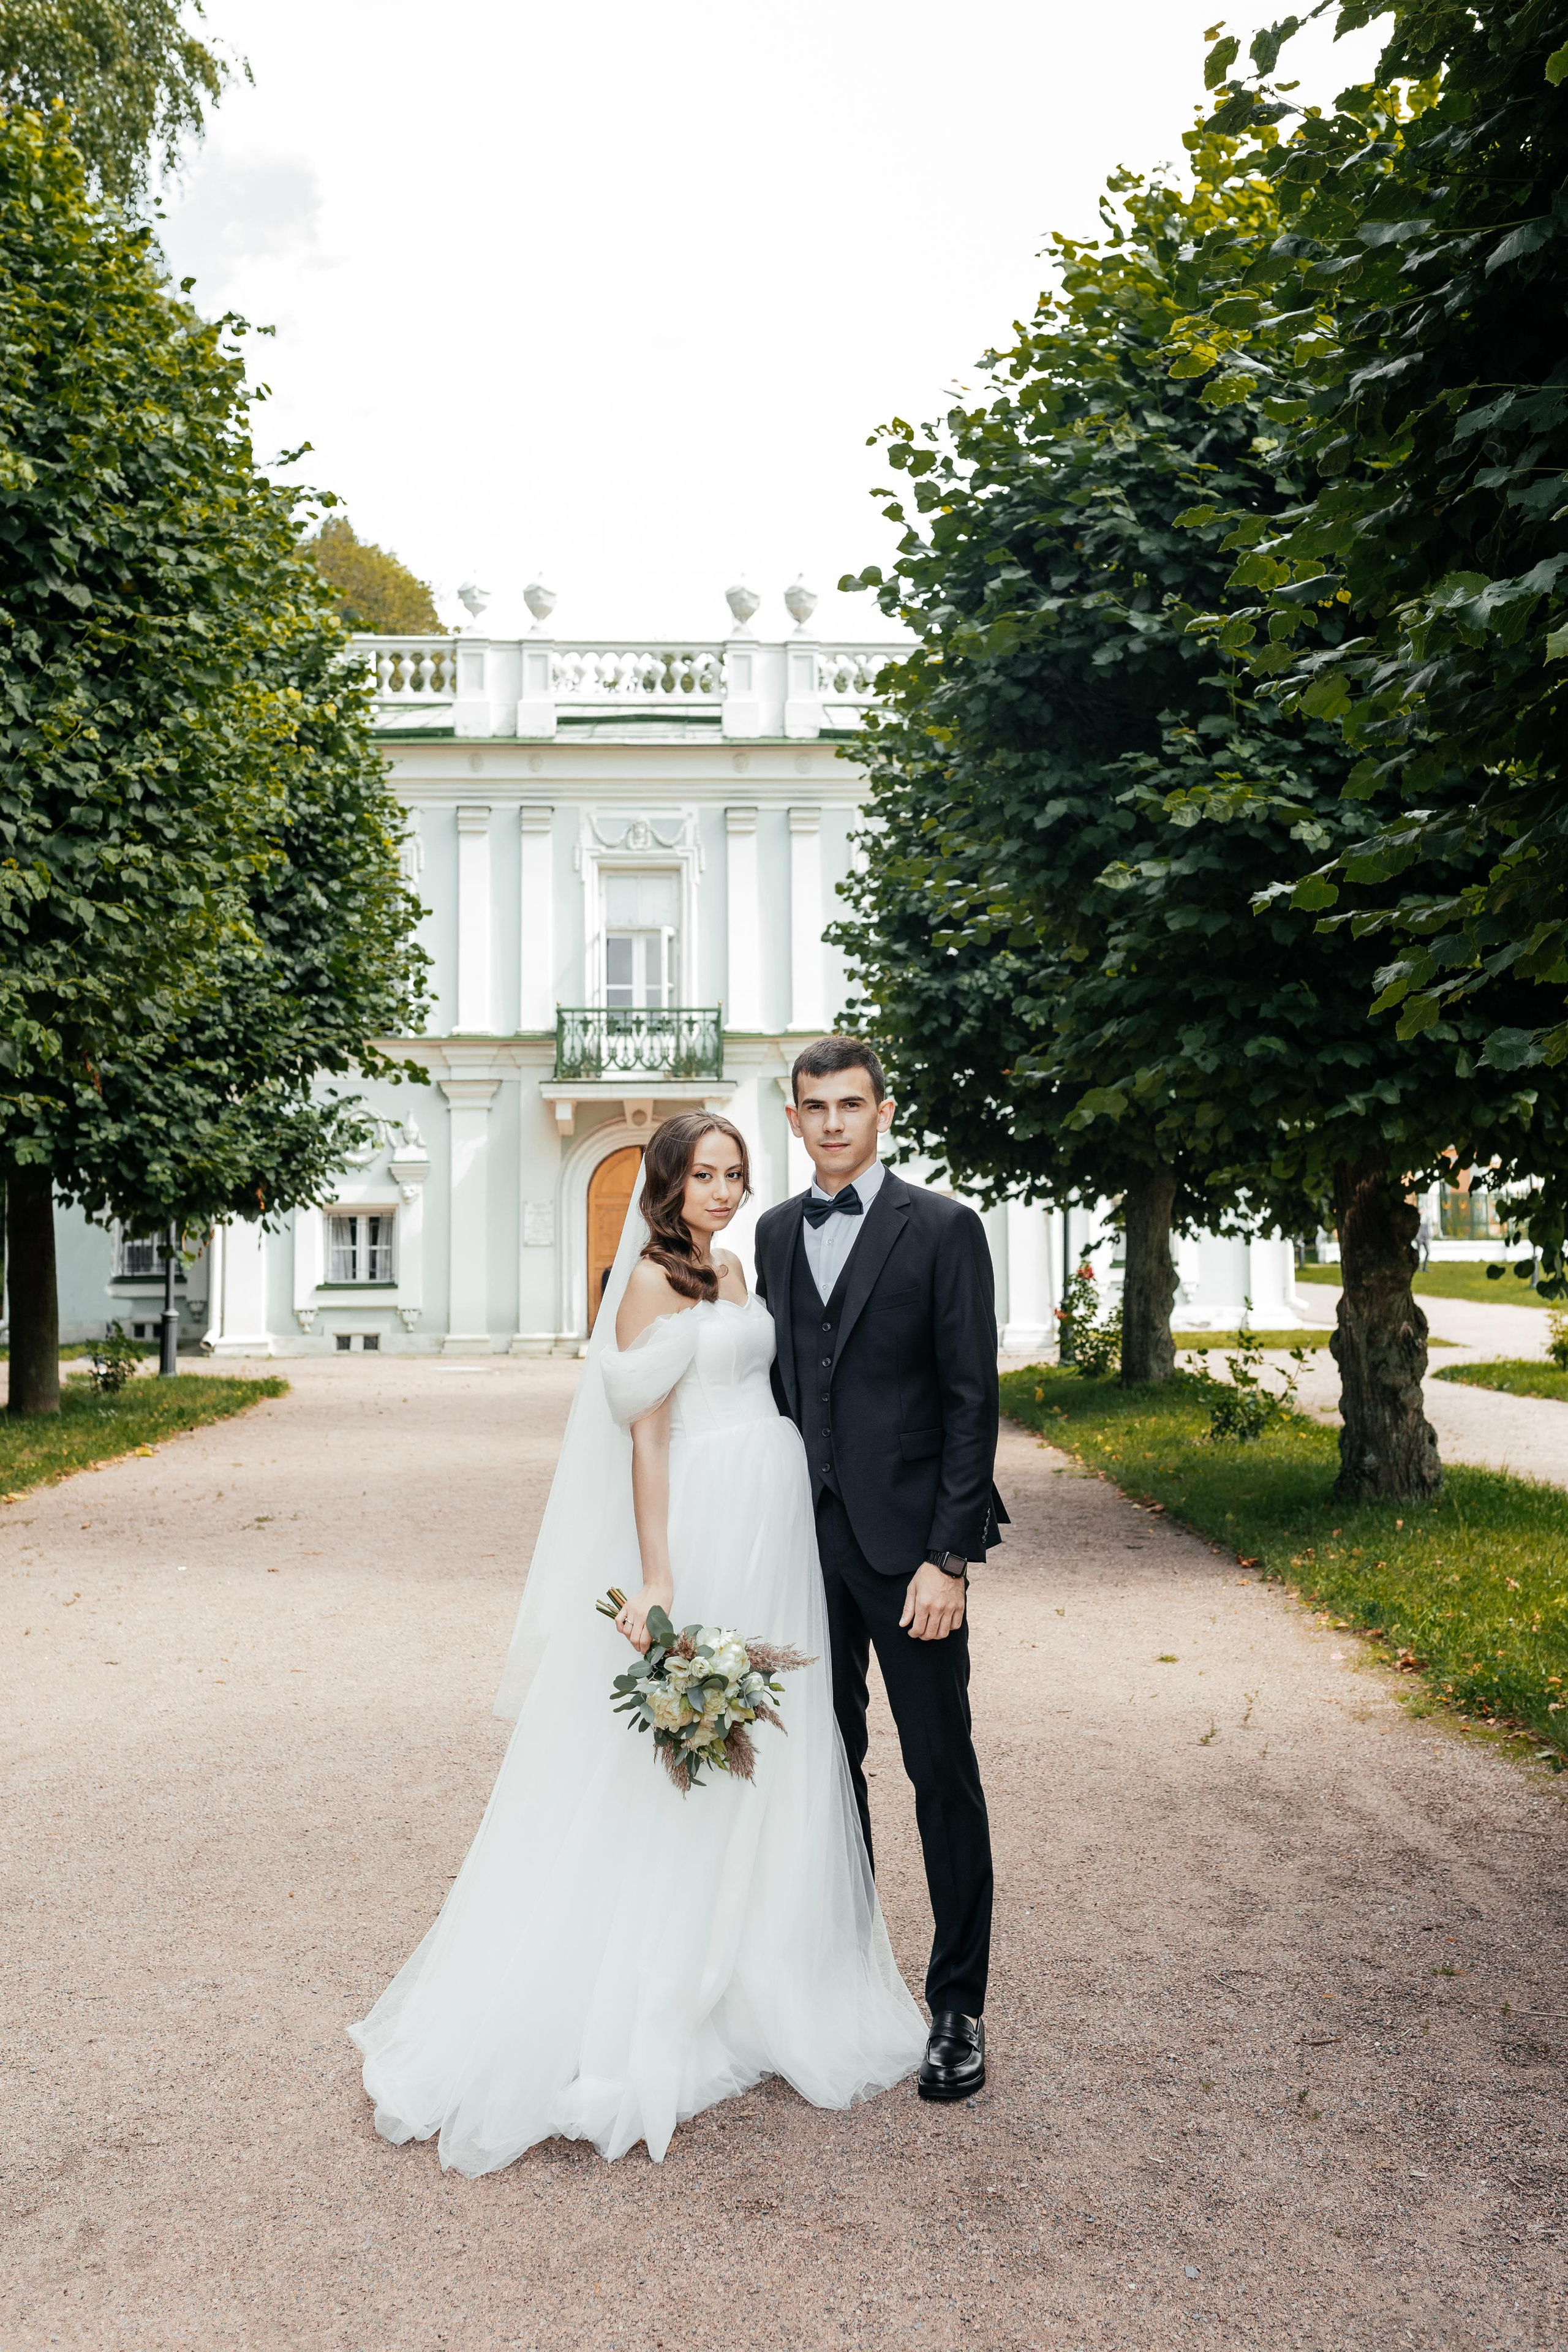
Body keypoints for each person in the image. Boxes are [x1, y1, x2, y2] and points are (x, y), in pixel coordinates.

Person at [349, 1112, 925, 2173]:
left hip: (776, 1521)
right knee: (684, 1761)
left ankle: (765, 1964)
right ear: (669, 1183)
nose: (722, 1189)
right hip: (708, 1515)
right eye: (704, 1174)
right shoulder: (656, 1282)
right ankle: (666, 1979)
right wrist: (659, 1576)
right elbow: (647, 1441)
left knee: (778, 1742)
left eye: (735, 1173)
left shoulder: (739, 1266)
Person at [753, 1037, 1005, 2104]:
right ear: (794, 1117)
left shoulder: (944, 1228)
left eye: (851, 1105)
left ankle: (958, 2007)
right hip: (796, 1548)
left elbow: (969, 1403)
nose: (833, 1123)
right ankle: (842, 1981)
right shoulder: (768, 1234)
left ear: (883, 1111)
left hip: (911, 1557)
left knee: (939, 1770)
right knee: (821, 1770)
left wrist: (949, 1557)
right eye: (814, 1108)